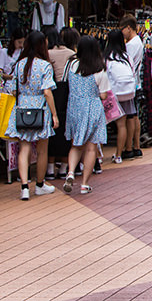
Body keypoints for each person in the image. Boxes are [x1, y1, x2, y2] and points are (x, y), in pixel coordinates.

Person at [4, 30, 59, 200]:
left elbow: (12, 89)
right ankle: (40, 185)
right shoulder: (45, 66)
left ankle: (24, 187)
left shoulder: (19, 65)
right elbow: (47, 92)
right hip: (40, 109)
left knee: (24, 148)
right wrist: (55, 115)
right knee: (42, 150)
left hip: (21, 109)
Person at [63, 36, 109, 195]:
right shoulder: (99, 68)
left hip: (74, 107)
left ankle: (70, 173)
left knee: (76, 144)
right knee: (91, 148)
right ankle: (84, 184)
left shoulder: (72, 65)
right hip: (92, 107)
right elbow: (103, 95)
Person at [46, 26, 79, 179]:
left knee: (52, 130)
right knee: (66, 130)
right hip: (67, 93)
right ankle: (64, 167)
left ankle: (50, 168)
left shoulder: (48, 53)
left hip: (52, 93)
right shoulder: (72, 54)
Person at [104, 30, 136, 164]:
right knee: (122, 124)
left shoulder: (107, 57)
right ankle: (119, 154)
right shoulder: (126, 56)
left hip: (111, 94)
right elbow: (133, 72)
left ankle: (98, 156)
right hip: (127, 92)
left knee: (103, 124)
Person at [119, 14, 143, 160]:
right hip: (135, 82)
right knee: (134, 115)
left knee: (130, 116)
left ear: (128, 27)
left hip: (129, 83)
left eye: (122, 29)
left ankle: (129, 147)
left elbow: (126, 64)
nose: (121, 32)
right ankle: (136, 146)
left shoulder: (131, 45)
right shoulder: (138, 42)